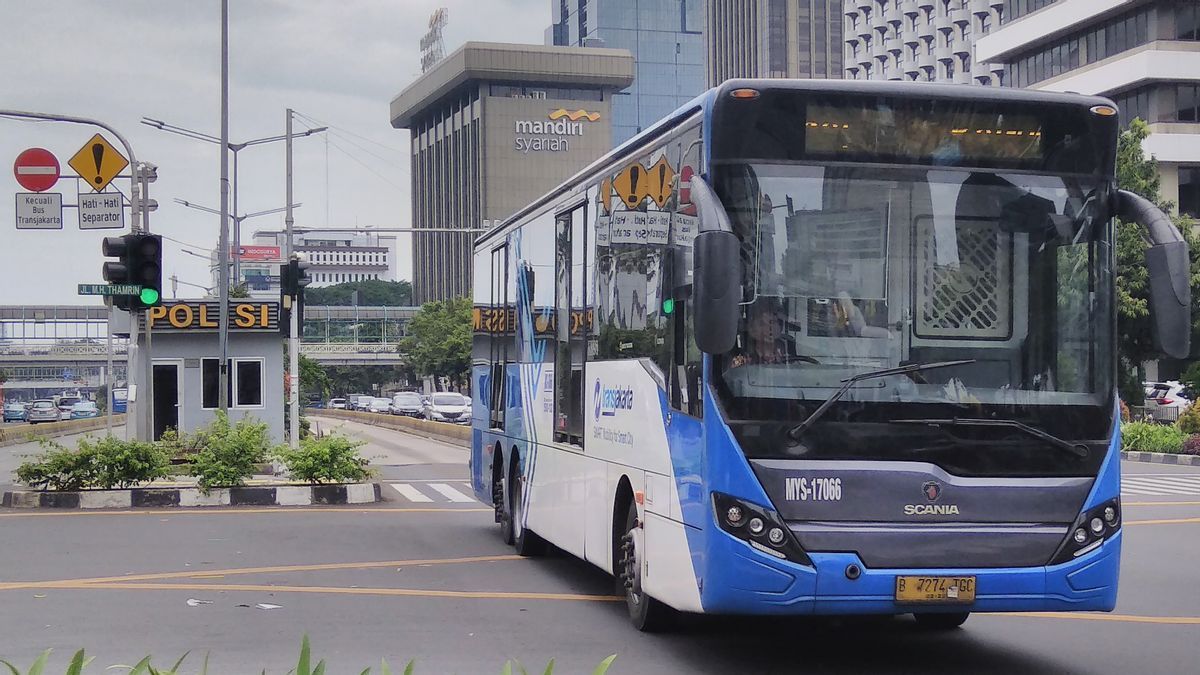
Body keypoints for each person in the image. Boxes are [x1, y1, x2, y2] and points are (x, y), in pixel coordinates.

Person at [729, 299, 792, 368]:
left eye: (773, 322)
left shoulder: (787, 353)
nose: (768, 329)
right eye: (762, 323)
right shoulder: (743, 352)